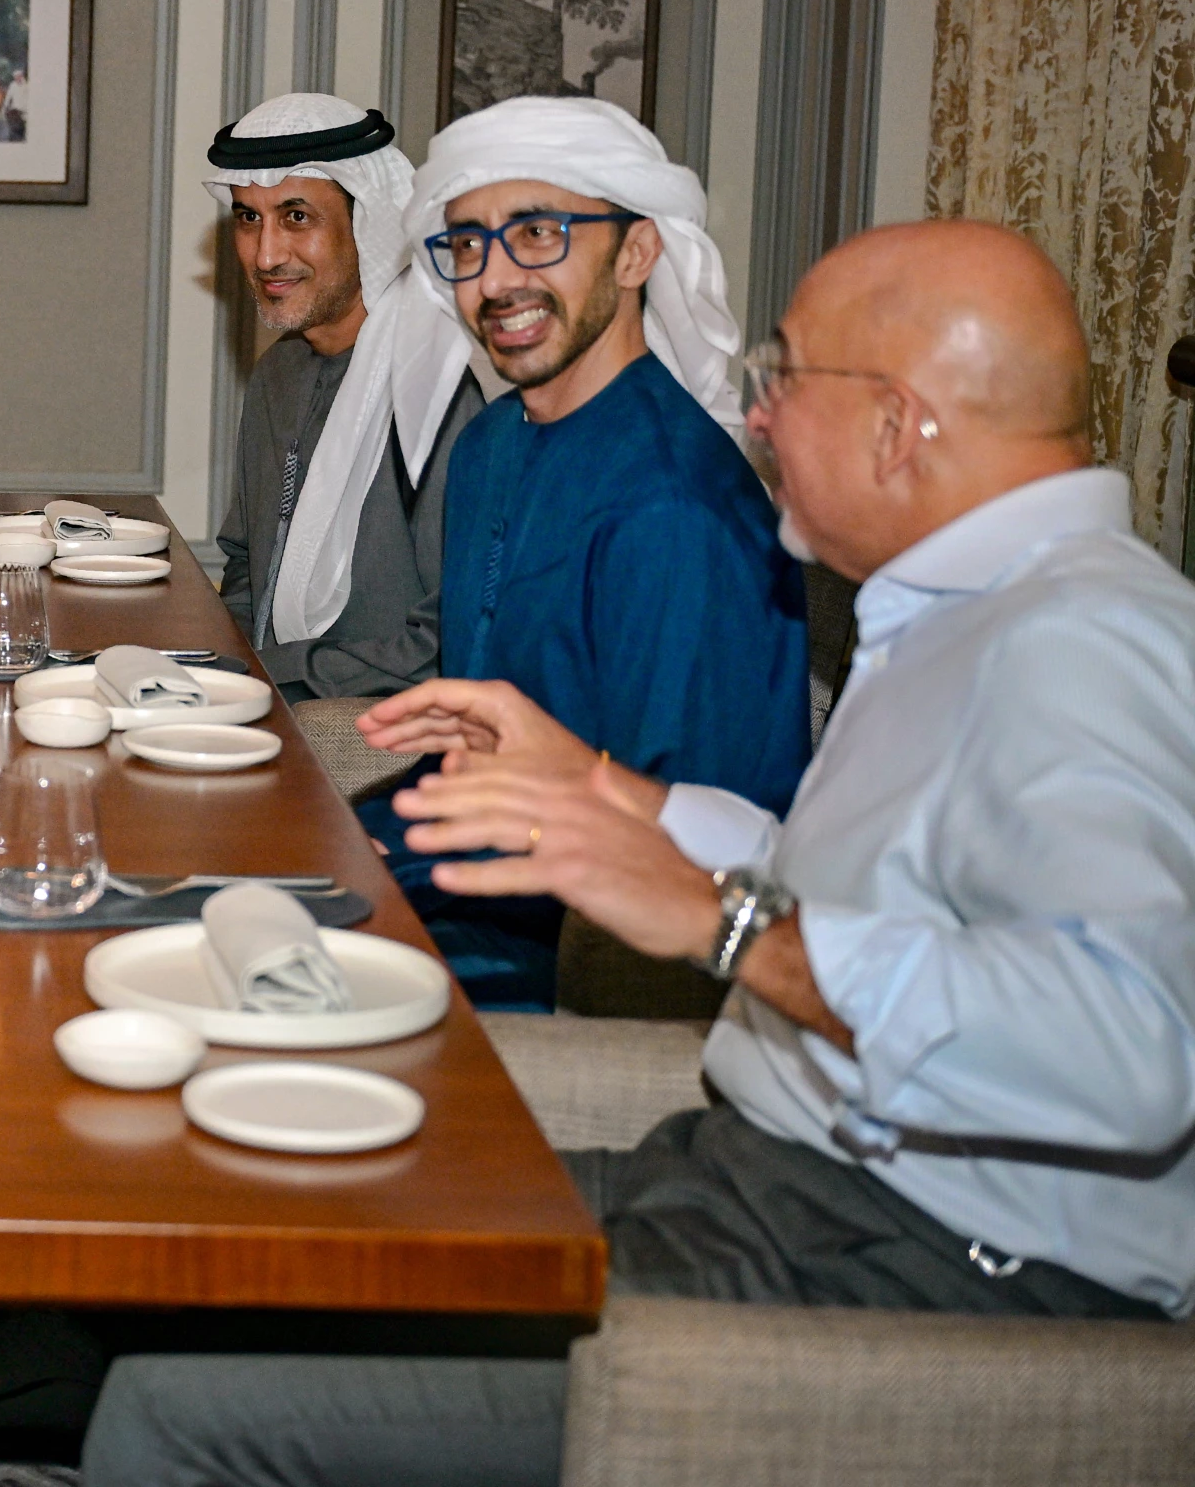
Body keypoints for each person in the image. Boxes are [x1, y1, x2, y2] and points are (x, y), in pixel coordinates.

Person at [83, 219, 1195, 1486]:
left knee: (174, 1410)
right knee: (241, 1250)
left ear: (902, 424)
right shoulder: (966, 608)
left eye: (783, 379)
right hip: (756, 1171)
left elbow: (1128, 1044)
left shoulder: (1082, 646)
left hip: (917, 1259)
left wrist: (728, 925)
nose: (758, 418)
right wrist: (600, 786)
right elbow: (868, 893)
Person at [365, 96, 808, 1006]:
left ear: (638, 252)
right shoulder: (492, 447)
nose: (493, 281)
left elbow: (682, 837)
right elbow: (480, 749)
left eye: (538, 234)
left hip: (560, 956)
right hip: (448, 880)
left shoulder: (674, 505)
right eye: (468, 244)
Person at [206, 93, 483, 701]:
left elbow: (454, 641)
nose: (267, 254)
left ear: (371, 226)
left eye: (297, 217)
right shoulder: (278, 375)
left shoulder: (438, 389)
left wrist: (268, 679)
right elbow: (247, 565)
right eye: (248, 217)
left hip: (393, 745)